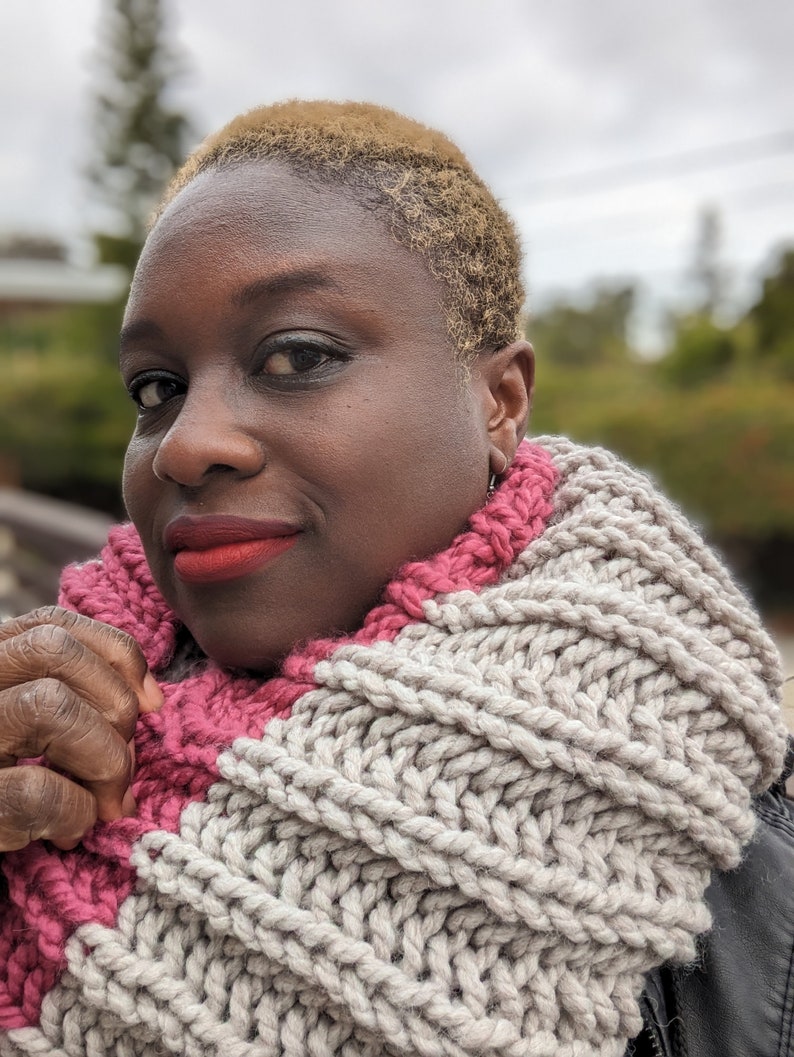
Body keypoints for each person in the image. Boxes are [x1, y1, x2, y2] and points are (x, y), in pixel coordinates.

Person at [0, 100, 790, 1057]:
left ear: (499, 400)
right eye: (156, 389)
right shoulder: (42, 737)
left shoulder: (738, 873)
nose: (187, 443)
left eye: (297, 355)